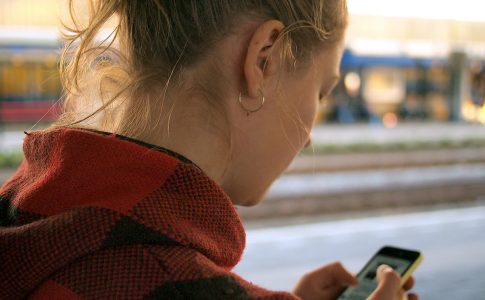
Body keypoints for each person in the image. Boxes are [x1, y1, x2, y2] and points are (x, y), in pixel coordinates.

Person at [0, 1, 418, 299]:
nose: (308, 134)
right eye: (321, 91)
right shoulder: (171, 279)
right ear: (264, 59)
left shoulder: (25, 214)